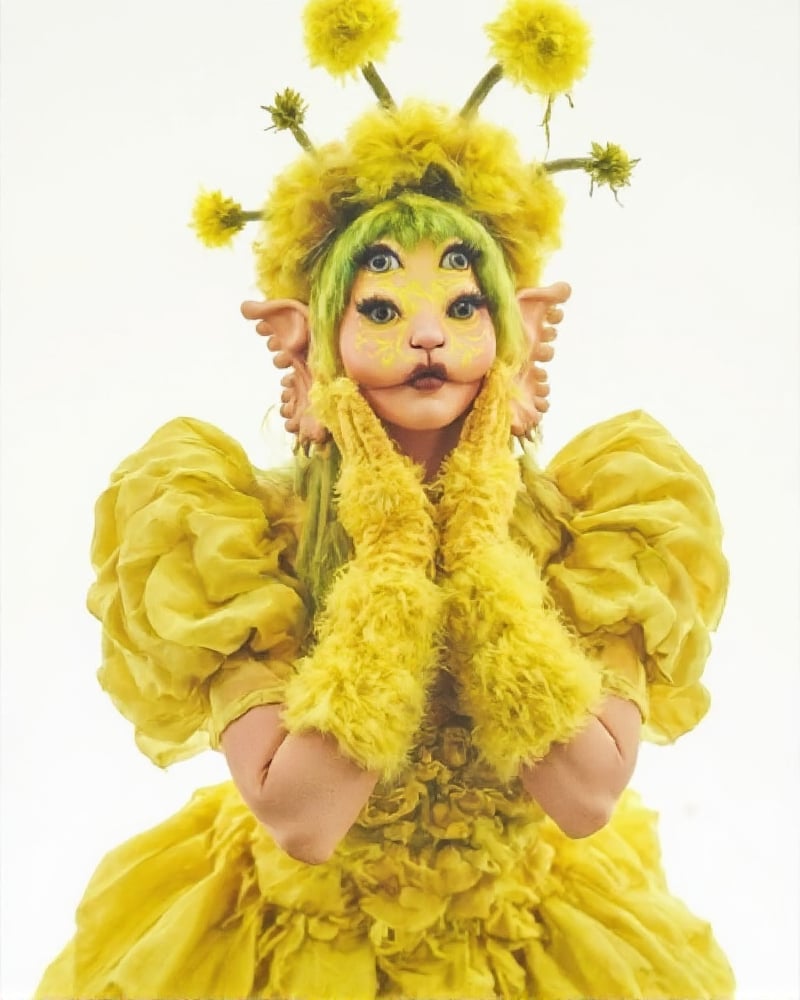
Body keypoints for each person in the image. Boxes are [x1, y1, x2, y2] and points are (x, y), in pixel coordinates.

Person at [36, 1, 735, 997]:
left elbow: (583, 795)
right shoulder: (236, 531)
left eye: (461, 304)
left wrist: (481, 554)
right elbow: (303, 816)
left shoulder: (598, 522)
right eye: (378, 307)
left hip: (526, 945)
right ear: (307, 335)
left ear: (520, 328)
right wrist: (395, 560)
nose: (425, 336)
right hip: (292, 945)